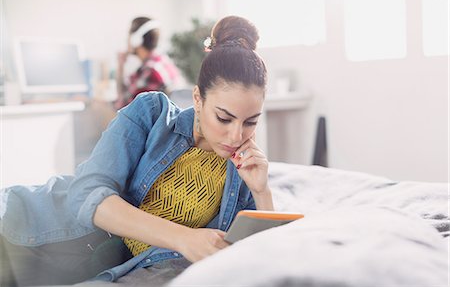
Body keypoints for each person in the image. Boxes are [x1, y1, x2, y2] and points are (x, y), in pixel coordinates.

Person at [0, 15, 273, 286]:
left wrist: (262, 192)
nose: (237, 135)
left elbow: (260, 254)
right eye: (224, 118)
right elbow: (86, 194)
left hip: (97, 270)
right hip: (31, 229)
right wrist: (182, 237)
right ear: (198, 98)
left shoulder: (241, 172)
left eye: (250, 122)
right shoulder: (152, 112)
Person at [115, 16, 180, 109]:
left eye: (129, 35)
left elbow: (122, 107)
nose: (127, 40)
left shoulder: (150, 70)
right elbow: (126, 92)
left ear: (136, 39)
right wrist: (120, 65)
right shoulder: (161, 61)